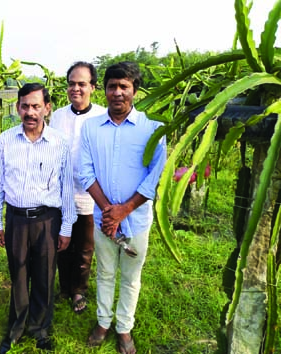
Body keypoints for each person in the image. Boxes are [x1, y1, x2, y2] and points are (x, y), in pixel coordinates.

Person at [79, 62, 167, 354]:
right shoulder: (91, 128)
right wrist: (108, 211)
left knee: (131, 277)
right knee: (104, 272)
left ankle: (124, 328)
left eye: (124, 86)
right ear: (103, 90)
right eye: (111, 86)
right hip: (104, 220)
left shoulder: (153, 130)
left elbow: (155, 176)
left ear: (135, 91)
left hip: (137, 219)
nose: (117, 92)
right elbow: (84, 171)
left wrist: (124, 210)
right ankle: (103, 322)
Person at [0, 83, 77, 353]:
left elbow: (67, 188)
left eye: (36, 106)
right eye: (25, 105)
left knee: (44, 276)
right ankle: (15, 329)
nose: (30, 112)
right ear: (17, 107)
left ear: (47, 108)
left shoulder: (59, 143)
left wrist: (66, 227)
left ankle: (40, 329)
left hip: (47, 220)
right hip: (16, 219)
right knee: (18, 275)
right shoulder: (6, 140)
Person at [50, 61, 106, 314]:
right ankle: (63, 287)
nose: (76, 88)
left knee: (84, 246)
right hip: (60, 192)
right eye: (71, 83)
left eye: (82, 84)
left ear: (93, 87)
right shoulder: (58, 116)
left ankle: (78, 290)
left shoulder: (102, 116)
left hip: (89, 195)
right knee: (63, 243)